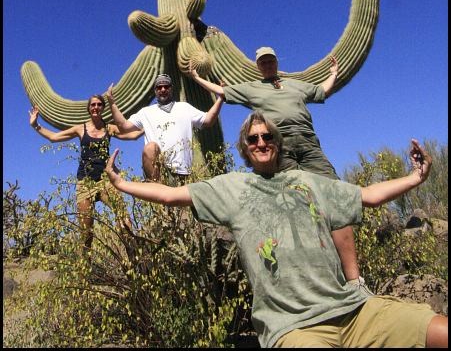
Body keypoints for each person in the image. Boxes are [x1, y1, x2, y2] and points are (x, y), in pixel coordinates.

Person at [105, 111, 447, 348]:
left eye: (267, 136)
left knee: (439, 331)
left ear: (277, 143)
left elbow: (369, 196)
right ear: (245, 148)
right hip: (294, 327)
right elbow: (169, 195)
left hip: (354, 310)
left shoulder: (309, 181)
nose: (261, 142)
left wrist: (417, 177)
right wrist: (123, 184)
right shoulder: (231, 189)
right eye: (253, 139)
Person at [188, 49, 362, 287]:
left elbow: (322, 92)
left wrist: (333, 73)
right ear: (258, 66)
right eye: (263, 62)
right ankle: (312, 270)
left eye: (270, 60)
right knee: (294, 198)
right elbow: (223, 92)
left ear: (276, 62)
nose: (267, 64)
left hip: (309, 142)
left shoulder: (295, 85)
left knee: (335, 195)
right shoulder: (252, 87)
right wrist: (197, 79)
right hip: (280, 144)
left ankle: (354, 279)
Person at [29, 94, 143, 251]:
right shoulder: (80, 129)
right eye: (93, 105)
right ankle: (85, 273)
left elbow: (133, 135)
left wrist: (151, 125)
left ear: (103, 108)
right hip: (85, 183)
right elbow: (54, 137)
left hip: (106, 180)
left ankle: (135, 258)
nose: (96, 107)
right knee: (86, 233)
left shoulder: (110, 128)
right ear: (89, 108)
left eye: (99, 104)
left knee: (124, 219)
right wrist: (36, 125)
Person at [107, 74, 224, 182]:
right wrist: (112, 103)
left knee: (181, 204)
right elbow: (124, 126)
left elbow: (208, 120)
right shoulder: (146, 112)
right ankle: (156, 187)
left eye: (166, 86)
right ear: (155, 91)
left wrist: (220, 98)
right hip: (158, 171)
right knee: (150, 148)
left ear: (171, 88)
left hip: (183, 172)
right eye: (159, 87)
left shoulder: (184, 107)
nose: (163, 89)